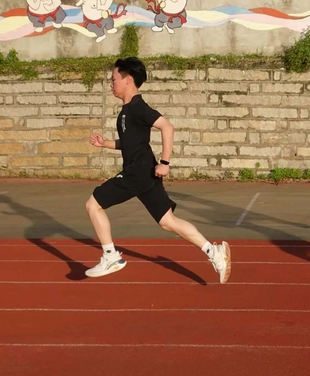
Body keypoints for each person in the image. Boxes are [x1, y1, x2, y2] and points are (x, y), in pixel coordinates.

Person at [84, 57, 231, 282]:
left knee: (93, 204)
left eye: (113, 79)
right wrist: (105, 143)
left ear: (128, 80)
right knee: (167, 221)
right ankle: (215, 252)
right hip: (146, 173)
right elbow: (130, 142)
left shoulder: (138, 107)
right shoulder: (126, 111)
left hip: (137, 172)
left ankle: (110, 256)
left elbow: (167, 127)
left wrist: (165, 162)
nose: (110, 84)